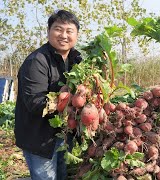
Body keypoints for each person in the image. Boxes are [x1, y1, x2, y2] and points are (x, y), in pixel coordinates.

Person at [14, 10, 82, 180]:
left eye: (69, 31)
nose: (64, 35)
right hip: (39, 139)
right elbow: (36, 103)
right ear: (48, 31)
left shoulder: (76, 60)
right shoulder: (36, 61)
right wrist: (63, 97)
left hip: (63, 135)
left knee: (60, 176)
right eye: (58, 29)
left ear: (77, 35)